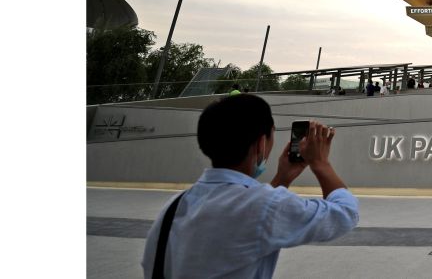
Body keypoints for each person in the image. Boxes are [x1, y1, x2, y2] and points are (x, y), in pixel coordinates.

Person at [141, 94, 358, 278]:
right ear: (262, 143)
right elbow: (344, 213)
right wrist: (321, 163)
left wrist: (282, 178)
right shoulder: (263, 205)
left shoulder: (172, 207)